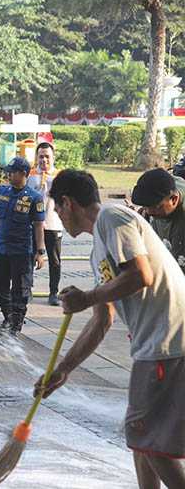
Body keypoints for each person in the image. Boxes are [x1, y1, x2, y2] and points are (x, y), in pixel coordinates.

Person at [36, 169, 185, 488]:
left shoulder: (111, 218)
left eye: (57, 210)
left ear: (67, 203)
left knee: (150, 441)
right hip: (154, 345)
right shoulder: (99, 250)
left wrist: (87, 297)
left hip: (169, 341)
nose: (58, 218)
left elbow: (140, 275)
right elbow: (103, 320)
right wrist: (63, 370)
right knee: (141, 438)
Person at [0, 156, 45, 335]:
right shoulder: (2, 191)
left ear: (23, 173)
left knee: (20, 290)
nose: (8, 174)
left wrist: (40, 252)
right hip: (2, 249)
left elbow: (39, 225)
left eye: (12, 171)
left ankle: (15, 326)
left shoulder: (35, 197)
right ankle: (9, 318)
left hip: (23, 251)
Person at [27, 142, 64, 305]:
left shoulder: (60, 177)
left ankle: (53, 292)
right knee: (29, 258)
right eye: (41, 156)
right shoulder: (30, 175)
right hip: (33, 225)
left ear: (53, 157)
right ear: (36, 157)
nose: (44, 160)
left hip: (53, 223)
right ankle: (27, 289)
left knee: (55, 260)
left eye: (47, 156)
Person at [130, 168, 185, 273]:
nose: (149, 212)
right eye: (146, 206)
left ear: (174, 199)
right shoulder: (166, 185)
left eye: (155, 206)